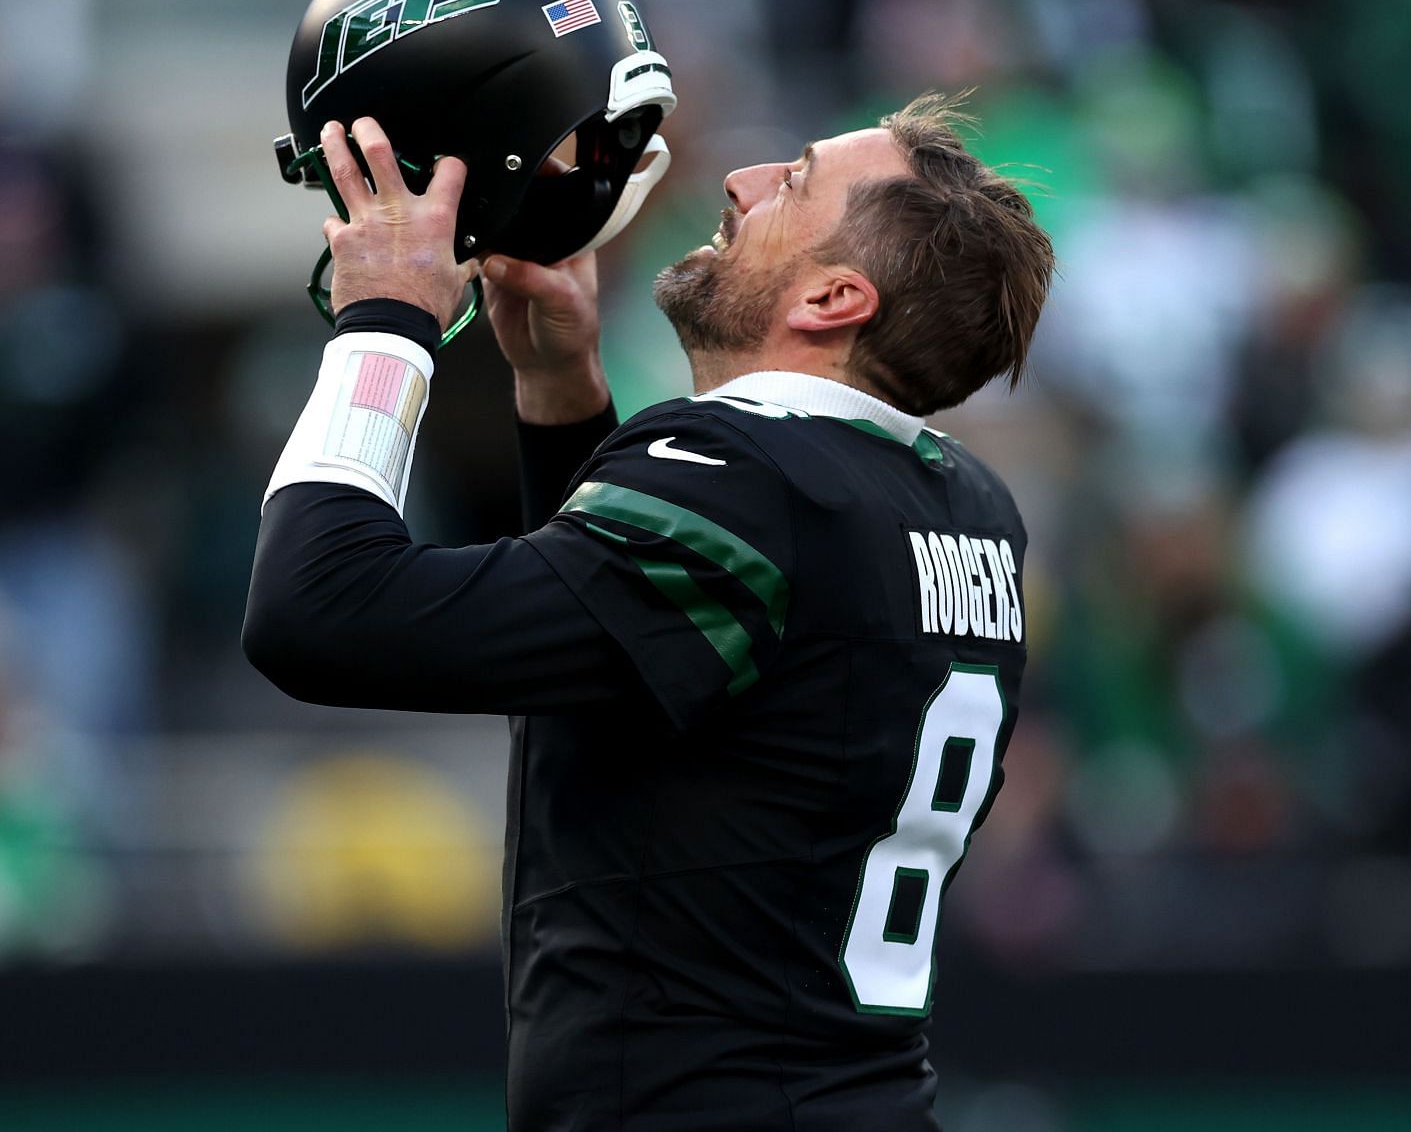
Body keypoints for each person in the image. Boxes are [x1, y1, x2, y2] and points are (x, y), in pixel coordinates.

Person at [243, 92, 1054, 1131]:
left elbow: (318, 612)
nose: (740, 181)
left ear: (833, 298)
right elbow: (639, 662)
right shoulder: (965, 504)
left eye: (793, 182)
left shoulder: (749, 478)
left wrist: (386, 322)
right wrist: (561, 387)